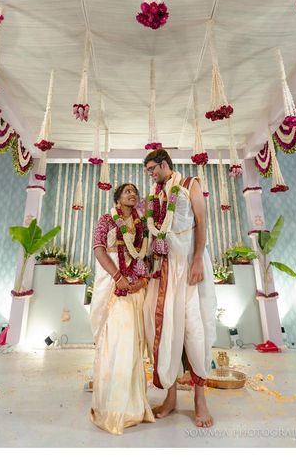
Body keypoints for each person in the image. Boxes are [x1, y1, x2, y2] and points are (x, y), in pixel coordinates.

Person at [143, 149, 217, 428]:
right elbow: (155, 230)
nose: (150, 175)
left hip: (188, 266)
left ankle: (200, 400)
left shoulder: (190, 184)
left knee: (193, 329)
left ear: (164, 164)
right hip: (163, 270)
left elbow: (202, 222)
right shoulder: (155, 193)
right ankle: (171, 397)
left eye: (152, 169)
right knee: (163, 329)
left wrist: (197, 258)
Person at [90, 183, 155, 435]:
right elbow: (98, 249)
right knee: (115, 343)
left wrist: (141, 280)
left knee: (132, 344)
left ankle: (134, 407)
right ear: (117, 198)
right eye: (127, 191)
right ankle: (111, 407)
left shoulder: (142, 224)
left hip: (135, 290)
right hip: (112, 287)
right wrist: (118, 276)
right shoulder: (106, 219)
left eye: (135, 191)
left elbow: (145, 257)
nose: (132, 194)